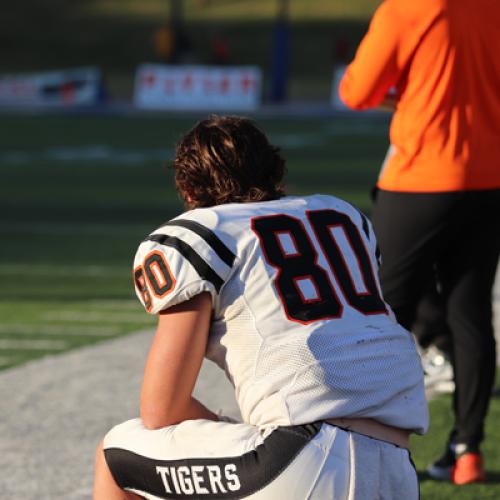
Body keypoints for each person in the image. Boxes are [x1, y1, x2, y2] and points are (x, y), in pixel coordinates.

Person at [93, 116, 428, 499]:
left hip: (299, 461)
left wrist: (228, 426)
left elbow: (161, 409)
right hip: (396, 469)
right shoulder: (345, 218)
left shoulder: (201, 236)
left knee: (115, 453)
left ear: (187, 188)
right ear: (276, 170)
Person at [339, 0, 500, 485]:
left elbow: (356, 91)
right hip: (490, 174)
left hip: (421, 177)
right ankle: (468, 449)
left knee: (382, 308)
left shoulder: (408, 8)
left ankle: (367, 442)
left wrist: (409, 93)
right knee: (471, 312)